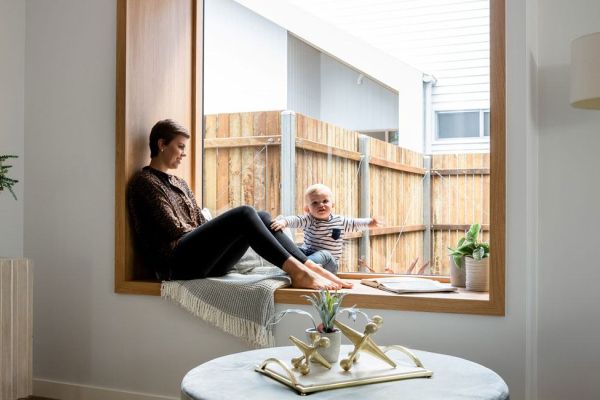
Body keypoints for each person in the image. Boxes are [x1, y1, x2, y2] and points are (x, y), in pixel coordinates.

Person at [127, 119, 352, 290]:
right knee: (244, 214)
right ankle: (298, 273)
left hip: (203, 262)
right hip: (175, 265)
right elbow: (174, 229)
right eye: (180, 146)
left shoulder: (179, 182)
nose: (184, 154)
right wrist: (217, 232)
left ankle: (308, 266)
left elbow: (198, 219)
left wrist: (215, 233)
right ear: (161, 144)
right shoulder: (145, 183)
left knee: (262, 216)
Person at [270, 183, 380, 272]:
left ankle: (299, 266)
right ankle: (294, 264)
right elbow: (295, 220)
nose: (321, 205)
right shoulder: (309, 220)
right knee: (294, 249)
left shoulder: (340, 221)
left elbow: (355, 223)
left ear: (333, 204)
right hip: (309, 255)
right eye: (315, 203)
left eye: (325, 201)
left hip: (329, 265)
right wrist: (284, 222)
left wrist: (370, 222)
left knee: (325, 254)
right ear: (307, 209)